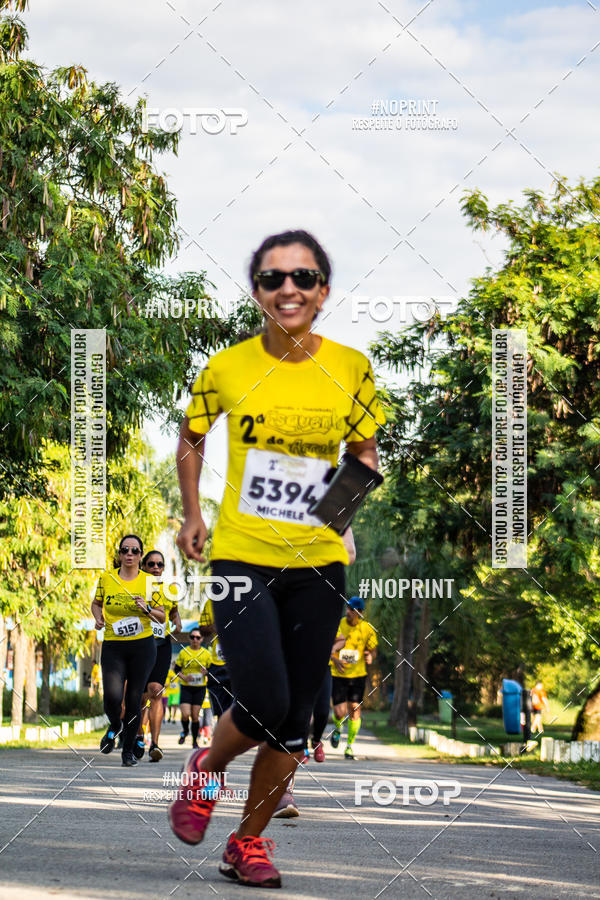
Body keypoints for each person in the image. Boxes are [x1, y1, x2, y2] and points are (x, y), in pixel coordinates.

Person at [169, 229, 384, 888]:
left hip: (318, 560)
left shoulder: (352, 367)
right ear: (257, 291)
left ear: (323, 290)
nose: (287, 288)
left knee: (298, 718)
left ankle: (247, 843)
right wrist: (195, 513)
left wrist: (336, 520)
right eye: (272, 278)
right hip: (241, 554)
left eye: (302, 277)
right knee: (262, 697)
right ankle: (206, 767)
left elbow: (365, 458)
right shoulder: (226, 367)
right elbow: (191, 438)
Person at [91, 535, 165, 767]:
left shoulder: (150, 582)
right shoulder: (107, 577)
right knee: (112, 698)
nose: (130, 554)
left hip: (142, 646)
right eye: (125, 550)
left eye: (135, 550)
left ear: (140, 555)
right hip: (114, 645)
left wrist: (148, 609)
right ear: (120, 554)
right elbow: (96, 603)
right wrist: (98, 618)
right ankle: (115, 725)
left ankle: (128, 751)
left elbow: (162, 617)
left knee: (134, 699)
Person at [137, 550, 183, 762]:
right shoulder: (135, 586)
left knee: (156, 691)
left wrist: (177, 619)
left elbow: (173, 610)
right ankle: (138, 736)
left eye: (159, 564)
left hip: (161, 644)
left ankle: (154, 744)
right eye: (151, 564)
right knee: (140, 696)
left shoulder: (169, 590)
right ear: (143, 566)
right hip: (138, 644)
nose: (156, 568)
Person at [330, 596, 378, 759]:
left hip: (358, 675)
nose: (348, 612)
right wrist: (334, 659)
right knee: (339, 712)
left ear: (360, 612)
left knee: (355, 709)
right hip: (338, 674)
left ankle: (349, 746)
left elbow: (372, 649)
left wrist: (370, 656)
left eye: (352, 609)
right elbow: (328, 646)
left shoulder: (367, 629)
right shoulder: (338, 624)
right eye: (348, 608)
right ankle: (337, 728)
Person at [174, 628, 212, 747]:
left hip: (199, 688)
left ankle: (195, 741)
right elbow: (176, 670)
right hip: (186, 687)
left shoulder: (206, 654)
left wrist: (206, 672)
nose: (195, 640)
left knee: (195, 715)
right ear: (189, 639)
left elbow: (212, 670)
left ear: (201, 639)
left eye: (197, 637)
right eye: (192, 637)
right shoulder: (183, 652)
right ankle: (185, 731)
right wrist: (183, 677)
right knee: (185, 714)